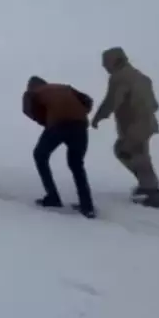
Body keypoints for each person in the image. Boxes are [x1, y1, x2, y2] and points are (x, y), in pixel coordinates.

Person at [92, 47, 159, 208]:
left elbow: (112, 101)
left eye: (105, 64)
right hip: (147, 123)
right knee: (136, 154)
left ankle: (151, 192)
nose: (104, 68)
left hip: (134, 126)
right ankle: (148, 187)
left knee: (131, 153)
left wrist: (98, 117)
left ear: (114, 61)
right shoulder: (141, 77)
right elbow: (155, 104)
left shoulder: (119, 78)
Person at [23, 76, 96, 218]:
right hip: (80, 125)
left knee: (40, 156)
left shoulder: (32, 93)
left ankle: (53, 197)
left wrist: (46, 121)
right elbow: (88, 100)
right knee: (76, 164)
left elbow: (29, 111)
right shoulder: (65, 88)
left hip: (58, 125)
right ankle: (87, 206)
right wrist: (78, 115)